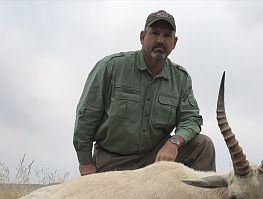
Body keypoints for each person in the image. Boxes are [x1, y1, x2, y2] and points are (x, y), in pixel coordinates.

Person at [73, 10, 216, 176]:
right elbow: (86, 116)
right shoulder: (110, 67)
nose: (161, 40)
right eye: (155, 33)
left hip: (156, 158)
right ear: (142, 37)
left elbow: (191, 119)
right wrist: (85, 163)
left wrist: (174, 142)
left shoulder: (181, 78)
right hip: (113, 160)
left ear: (174, 42)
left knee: (203, 145)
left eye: (167, 35)